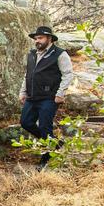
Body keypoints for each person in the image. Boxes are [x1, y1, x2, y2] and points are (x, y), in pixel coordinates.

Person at [19, 25, 74, 170]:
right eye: (36, 38)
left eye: (40, 38)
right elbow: (28, 75)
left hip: (49, 97)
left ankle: (46, 157)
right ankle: (54, 143)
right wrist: (22, 92)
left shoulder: (60, 54)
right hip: (32, 96)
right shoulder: (32, 54)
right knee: (25, 122)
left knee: (44, 126)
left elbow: (68, 74)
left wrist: (60, 93)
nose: (37, 41)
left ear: (49, 39)